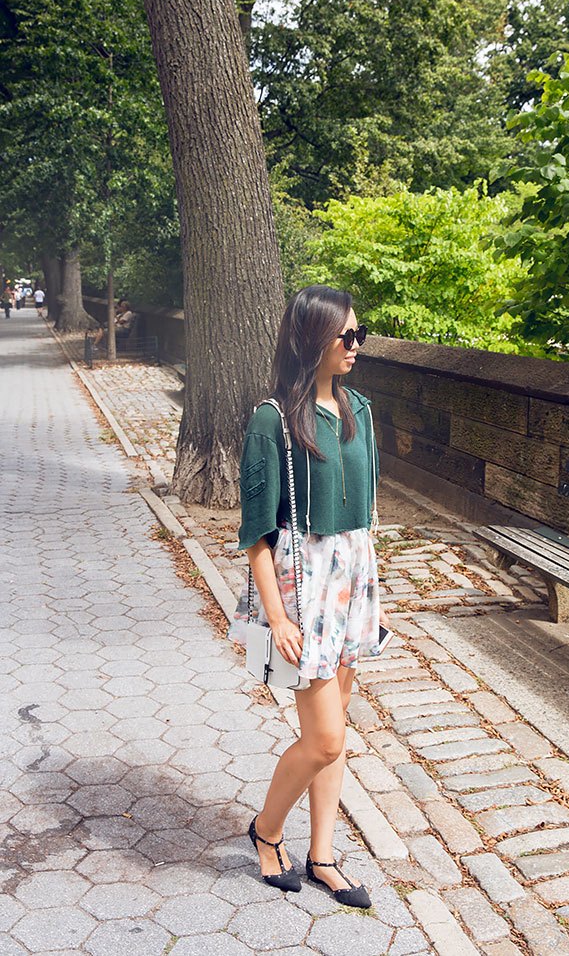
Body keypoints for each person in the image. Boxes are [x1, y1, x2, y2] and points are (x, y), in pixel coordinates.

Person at [238, 285, 385, 908]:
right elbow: (256, 532)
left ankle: (322, 853)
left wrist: (365, 584)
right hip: (303, 581)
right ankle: (267, 832)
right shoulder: (271, 418)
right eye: (344, 336)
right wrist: (276, 616)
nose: (355, 346)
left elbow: (364, 511)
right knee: (324, 738)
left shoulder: (361, 410)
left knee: (341, 730)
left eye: (359, 335)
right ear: (310, 340)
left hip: (351, 575)